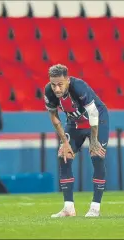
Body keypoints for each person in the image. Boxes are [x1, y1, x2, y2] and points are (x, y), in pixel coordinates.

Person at [44, 64, 108, 218]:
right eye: (53, 84)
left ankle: (95, 207)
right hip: (74, 123)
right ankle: (68, 208)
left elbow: (93, 113)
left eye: (60, 84)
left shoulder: (79, 87)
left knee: (97, 155)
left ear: (67, 80)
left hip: (98, 121)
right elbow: (54, 117)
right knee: (63, 156)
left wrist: (94, 141)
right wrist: (65, 143)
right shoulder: (48, 91)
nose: (57, 89)